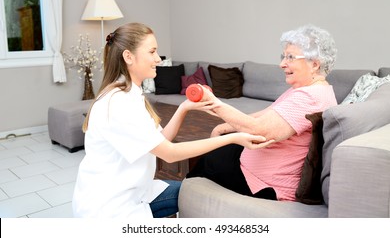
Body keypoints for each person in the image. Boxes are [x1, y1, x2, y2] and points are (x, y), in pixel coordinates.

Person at [72, 22, 270, 218]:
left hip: (136, 193)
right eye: (152, 52)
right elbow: (170, 153)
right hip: (110, 209)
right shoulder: (118, 103)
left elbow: (163, 139)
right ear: (128, 56)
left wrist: (184, 107)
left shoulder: (131, 94)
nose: (158, 59)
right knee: (202, 195)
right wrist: (232, 138)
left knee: (198, 192)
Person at [187, 24, 338, 201]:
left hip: (266, 184)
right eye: (283, 56)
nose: (282, 64)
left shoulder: (310, 97)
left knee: (206, 162)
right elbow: (264, 114)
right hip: (253, 167)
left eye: (290, 57)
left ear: (314, 64)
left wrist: (214, 103)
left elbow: (260, 130)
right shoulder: (307, 89)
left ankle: (183, 205)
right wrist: (226, 126)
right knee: (218, 149)